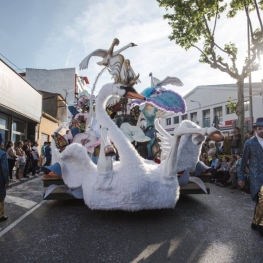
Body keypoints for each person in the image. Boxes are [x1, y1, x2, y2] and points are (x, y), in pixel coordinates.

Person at [238, 117, 263, 237]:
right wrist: (241, 177)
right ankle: (261, 226)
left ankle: (255, 222)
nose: (262, 130)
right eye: (260, 128)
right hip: (256, 177)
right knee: (261, 200)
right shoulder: (249, 143)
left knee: (260, 201)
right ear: (255, 130)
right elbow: (243, 162)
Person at [0, 148, 9, 221]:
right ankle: (0, 215)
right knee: (1, 196)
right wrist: (6, 180)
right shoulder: (2, 154)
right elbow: (5, 168)